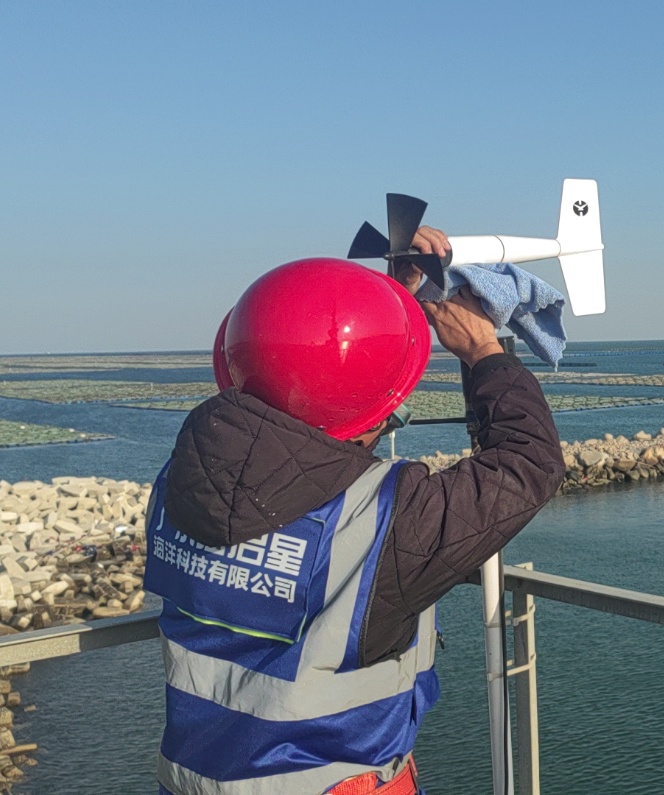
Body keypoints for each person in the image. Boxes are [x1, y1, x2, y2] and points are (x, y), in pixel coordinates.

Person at [142, 227, 566, 795]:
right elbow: (526, 464)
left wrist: (388, 304)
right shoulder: (383, 522)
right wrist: (484, 353)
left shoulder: (179, 484)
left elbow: (293, 448)